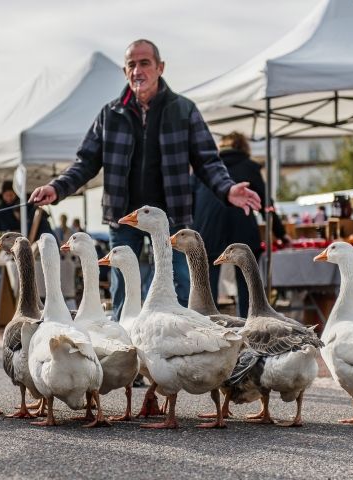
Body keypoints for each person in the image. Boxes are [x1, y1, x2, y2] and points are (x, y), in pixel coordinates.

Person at [29, 39, 261, 320]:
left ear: (160, 67)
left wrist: (228, 189)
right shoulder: (110, 114)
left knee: (179, 285)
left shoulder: (183, 109)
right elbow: (85, 162)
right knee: (122, 288)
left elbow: (207, 160)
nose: (138, 70)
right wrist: (57, 187)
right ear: (125, 71)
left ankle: (178, 348)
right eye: (131, 64)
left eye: (144, 63)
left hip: (171, 217)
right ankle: (123, 352)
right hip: (124, 216)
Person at [192, 131, 290, 317]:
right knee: (247, 283)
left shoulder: (205, 167)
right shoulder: (248, 167)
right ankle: (248, 324)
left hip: (207, 229)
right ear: (243, 147)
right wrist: (281, 232)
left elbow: (190, 199)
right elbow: (265, 204)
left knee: (206, 285)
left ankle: (206, 325)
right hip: (242, 228)